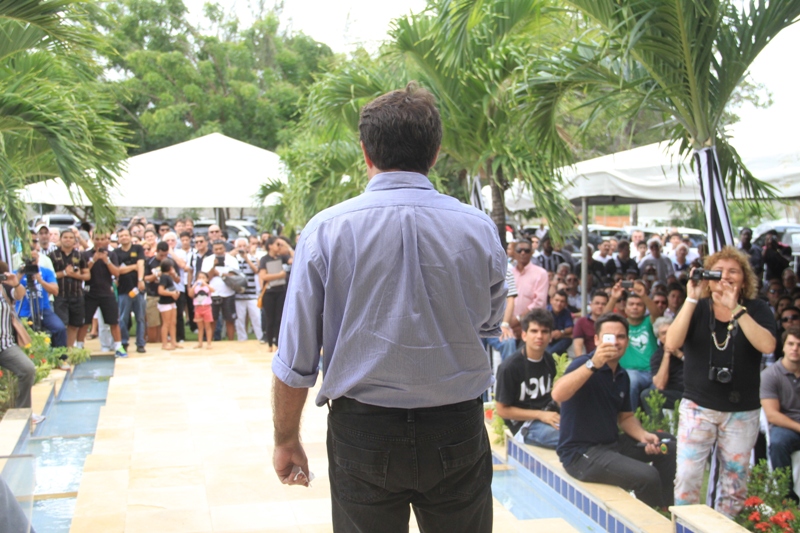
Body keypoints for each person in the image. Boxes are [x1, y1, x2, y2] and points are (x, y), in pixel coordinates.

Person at [271, 83, 506, 532]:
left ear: (365, 152)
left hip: (363, 432)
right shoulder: (479, 229)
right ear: (435, 153)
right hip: (456, 425)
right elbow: (489, 322)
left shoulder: (326, 231)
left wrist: (286, 439)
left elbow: (295, 357)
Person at [666, 247, 776, 518]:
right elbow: (672, 343)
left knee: (734, 482)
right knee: (688, 477)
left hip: (742, 411)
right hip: (698, 407)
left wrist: (735, 309)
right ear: (708, 276)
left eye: (733, 272)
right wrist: (691, 299)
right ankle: (686, 527)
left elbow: (767, 345)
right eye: (719, 271)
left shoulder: (756, 308)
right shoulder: (698, 307)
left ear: (744, 279)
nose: (725, 277)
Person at [552, 313, 676, 508]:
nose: (616, 342)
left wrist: (643, 435)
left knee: (668, 445)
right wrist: (594, 364)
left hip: (612, 445)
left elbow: (625, 417)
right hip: (580, 454)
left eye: (621, 337)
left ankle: (666, 509)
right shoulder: (583, 364)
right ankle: (650, 523)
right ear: (597, 340)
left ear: (627, 341)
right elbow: (558, 394)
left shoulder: (621, 375)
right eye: (609, 337)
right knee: (647, 476)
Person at [495, 309, 560, 449]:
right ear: (524, 335)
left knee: (583, 428)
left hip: (548, 415)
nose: (539, 336)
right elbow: (502, 410)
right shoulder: (509, 368)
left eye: (544, 332)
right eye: (534, 331)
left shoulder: (548, 360)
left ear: (550, 336)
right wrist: (540, 415)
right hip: (524, 425)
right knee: (568, 437)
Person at [606, 281, 661, 410]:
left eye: (639, 305)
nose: (635, 307)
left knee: (657, 392)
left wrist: (644, 296)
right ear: (625, 308)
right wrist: (613, 298)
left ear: (644, 308)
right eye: (631, 304)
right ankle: (630, 420)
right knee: (632, 381)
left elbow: (657, 315)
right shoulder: (621, 324)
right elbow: (604, 318)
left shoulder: (649, 322)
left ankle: (655, 427)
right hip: (629, 372)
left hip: (653, 372)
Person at [760, 326, 800, 494]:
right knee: (778, 442)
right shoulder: (770, 375)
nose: (795, 349)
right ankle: (787, 497)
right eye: (791, 344)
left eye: (799, 344)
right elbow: (772, 415)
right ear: (783, 346)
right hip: (787, 427)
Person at [75, 233, 126, 357]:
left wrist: (106, 260)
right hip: (89, 292)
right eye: (97, 239)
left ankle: (118, 347)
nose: (100, 242)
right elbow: (82, 271)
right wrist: (94, 259)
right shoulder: (85, 254)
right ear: (92, 240)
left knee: (113, 321)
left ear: (107, 240)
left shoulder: (112, 254)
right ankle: (79, 346)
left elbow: (117, 272)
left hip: (106, 292)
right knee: (84, 322)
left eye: (102, 239)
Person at [0, 261, 40, 421]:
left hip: (5, 345)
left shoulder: (5, 288)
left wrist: (15, 284)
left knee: (27, 369)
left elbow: (19, 294)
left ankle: (22, 412)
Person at [15, 250, 66, 347]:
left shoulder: (46, 272)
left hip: (43, 310)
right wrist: (18, 277)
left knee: (60, 328)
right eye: (29, 259)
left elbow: (55, 291)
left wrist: (41, 281)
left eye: (34, 259)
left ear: (38, 258)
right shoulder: (17, 273)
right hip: (22, 311)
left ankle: (61, 357)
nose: (31, 262)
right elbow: (9, 290)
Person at [49, 229, 90, 347]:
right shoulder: (52, 256)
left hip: (77, 295)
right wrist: (64, 273)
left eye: (71, 237)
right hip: (59, 295)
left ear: (75, 240)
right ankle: (60, 351)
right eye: (65, 237)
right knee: (61, 325)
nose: (68, 240)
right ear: (60, 239)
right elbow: (49, 276)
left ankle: (69, 350)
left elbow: (87, 275)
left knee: (74, 325)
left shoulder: (80, 255)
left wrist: (75, 275)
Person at [640, 316, 684, 414]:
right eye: (663, 333)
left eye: (670, 331)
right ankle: (658, 428)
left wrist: (680, 355)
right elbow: (660, 385)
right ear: (658, 337)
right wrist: (667, 355)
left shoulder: (689, 347)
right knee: (648, 395)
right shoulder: (657, 356)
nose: (667, 335)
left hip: (695, 393)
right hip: (676, 394)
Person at [113, 228, 146, 354]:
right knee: (122, 319)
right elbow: (117, 271)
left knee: (140, 318)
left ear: (130, 236)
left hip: (138, 288)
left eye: (126, 235)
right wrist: (133, 266)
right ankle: (124, 342)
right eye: (121, 236)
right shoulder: (116, 252)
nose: (124, 237)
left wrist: (140, 279)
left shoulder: (138, 248)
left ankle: (140, 343)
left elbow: (141, 265)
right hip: (123, 290)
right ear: (118, 238)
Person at [201, 240, 239, 341]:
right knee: (212, 319)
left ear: (224, 248)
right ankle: (211, 342)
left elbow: (235, 276)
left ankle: (231, 341)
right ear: (212, 250)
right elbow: (205, 278)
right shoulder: (208, 260)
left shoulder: (231, 260)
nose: (218, 251)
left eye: (220, 248)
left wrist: (221, 274)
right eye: (216, 249)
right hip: (213, 293)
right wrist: (213, 267)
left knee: (230, 320)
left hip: (228, 292)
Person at [512, 239, 548, 338]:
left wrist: (519, 320)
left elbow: (539, 303)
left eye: (527, 250)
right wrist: (507, 322)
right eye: (519, 250)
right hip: (508, 327)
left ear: (531, 253)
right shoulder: (508, 274)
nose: (523, 253)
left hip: (531, 327)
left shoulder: (540, 273)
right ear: (514, 253)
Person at [258, 236, 290, 350]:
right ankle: (270, 343)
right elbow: (263, 276)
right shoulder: (264, 259)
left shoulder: (282, 257)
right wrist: (280, 275)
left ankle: (278, 343)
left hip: (281, 291)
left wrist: (287, 246)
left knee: (279, 318)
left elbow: (295, 258)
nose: (279, 246)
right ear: (270, 245)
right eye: (277, 244)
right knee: (269, 318)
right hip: (269, 292)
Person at [233, 237, 261, 341]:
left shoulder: (252, 258)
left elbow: (256, 270)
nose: (242, 248)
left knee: (256, 317)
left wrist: (247, 258)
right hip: (239, 294)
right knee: (240, 319)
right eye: (239, 246)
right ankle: (242, 338)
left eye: (244, 246)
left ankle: (260, 337)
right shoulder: (234, 260)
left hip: (252, 294)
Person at [572, 289, 608, 356]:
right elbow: (577, 346)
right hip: (591, 359)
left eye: (603, 304)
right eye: (597, 303)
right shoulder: (582, 322)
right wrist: (581, 362)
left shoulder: (612, 323)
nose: (600, 306)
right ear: (591, 305)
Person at [156, 258, 180, 350]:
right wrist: (172, 294)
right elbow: (160, 290)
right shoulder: (164, 277)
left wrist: (175, 292)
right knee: (166, 323)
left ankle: (174, 342)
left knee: (173, 322)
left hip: (171, 302)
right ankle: (164, 344)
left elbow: (171, 287)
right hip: (165, 303)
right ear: (170, 268)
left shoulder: (169, 277)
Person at [189, 271, 214, 349]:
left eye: (203, 278)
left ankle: (209, 343)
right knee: (200, 327)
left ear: (207, 279)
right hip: (198, 308)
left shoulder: (207, 287)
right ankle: (200, 343)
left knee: (208, 327)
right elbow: (190, 294)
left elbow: (213, 290)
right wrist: (195, 285)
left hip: (207, 308)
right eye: (199, 277)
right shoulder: (196, 287)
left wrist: (206, 284)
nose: (201, 279)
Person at [547, 290, 573, 355]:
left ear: (566, 304)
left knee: (568, 340)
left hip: (560, 338)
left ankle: (549, 355)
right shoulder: (545, 312)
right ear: (551, 300)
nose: (559, 304)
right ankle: (549, 355)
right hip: (547, 338)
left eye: (562, 301)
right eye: (556, 300)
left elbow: (570, 328)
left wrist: (561, 332)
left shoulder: (566, 312)